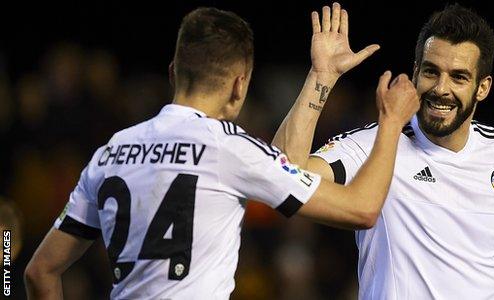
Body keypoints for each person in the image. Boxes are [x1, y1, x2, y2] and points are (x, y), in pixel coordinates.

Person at [24, 4, 420, 299]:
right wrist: (389, 122)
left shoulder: (109, 153)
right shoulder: (228, 148)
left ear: (173, 73)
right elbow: (361, 209)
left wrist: (321, 77)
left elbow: (39, 272)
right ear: (238, 85)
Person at [272, 3, 494, 300]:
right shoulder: (376, 145)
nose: (441, 88)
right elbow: (280, 174)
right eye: (431, 72)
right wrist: (322, 75)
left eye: (458, 77)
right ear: (416, 72)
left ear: (483, 87)